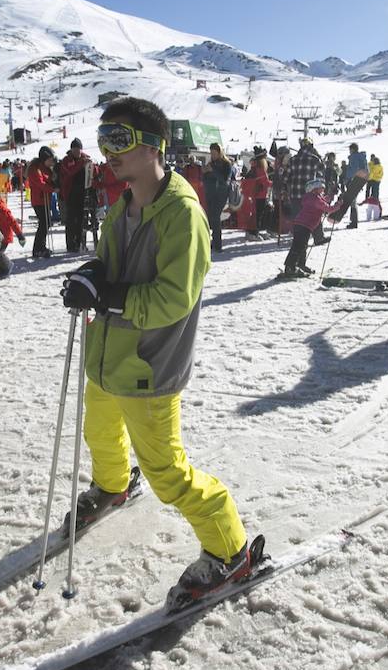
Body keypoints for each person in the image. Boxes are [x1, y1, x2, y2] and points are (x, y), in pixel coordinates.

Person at [59, 96, 252, 607]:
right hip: (107, 355)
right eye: (103, 140)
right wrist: (90, 277)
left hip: (148, 363)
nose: (108, 152)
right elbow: (108, 263)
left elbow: (173, 299)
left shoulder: (182, 215)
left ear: (154, 146)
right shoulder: (123, 206)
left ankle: (230, 548)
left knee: (167, 471)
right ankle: (113, 485)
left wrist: (110, 295)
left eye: (119, 140)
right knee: (99, 431)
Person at [282, 178, 336, 277]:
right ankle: (290, 267)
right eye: (321, 188)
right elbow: (328, 208)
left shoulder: (311, 197)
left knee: (302, 246)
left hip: (301, 225)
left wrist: (331, 195)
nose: (323, 190)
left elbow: (324, 200)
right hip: (304, 226)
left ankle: (300, 265)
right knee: (298, 246)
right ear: (314, 189)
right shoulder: (315, 199)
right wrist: (338, 205)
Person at [60, 138, 92, 252]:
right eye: (74, 149)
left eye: (78, 149)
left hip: (83, 194)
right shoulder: (66, 160)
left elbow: (92, 170)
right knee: (71, 221)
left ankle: (80, 243)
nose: (76, 152)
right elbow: (70, 171)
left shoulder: (85, 158)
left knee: (81, 220)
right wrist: (82, 163)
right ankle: (70, 245)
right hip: (70, 194)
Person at [203, 142, 234, 254]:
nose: (213, 155)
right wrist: (205, 172)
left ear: (220, 152)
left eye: (215, 153)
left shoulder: (227, 164)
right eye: (211, 153)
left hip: (221, 193)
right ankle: (214, 241)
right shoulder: (211, 163)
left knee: (216, 217)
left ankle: (218, 244)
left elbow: (225, 179)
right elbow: (206, 179)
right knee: (211, 217)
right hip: (211, 193)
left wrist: (213, 171)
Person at [27, 147, 56, 258]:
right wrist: (53, 189)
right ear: (44, 158)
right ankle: (37, 249)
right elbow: (41, 183)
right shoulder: (35, 168)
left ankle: (41, 247)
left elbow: (49, 180)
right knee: (44, 223)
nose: (51, 162)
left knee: (46, 223)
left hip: (45, 199)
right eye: (50, 159)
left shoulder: (46, 168)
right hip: (39, 200)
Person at [343, 143, 368, 228]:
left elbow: (354, 169)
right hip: (360, 180)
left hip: (354, 180)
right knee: (353, 200)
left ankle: (354, 222)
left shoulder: (354, 157)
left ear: (352, 149)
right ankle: (353, 221)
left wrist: (348, 178)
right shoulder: (362, 157)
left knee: (352, 201)